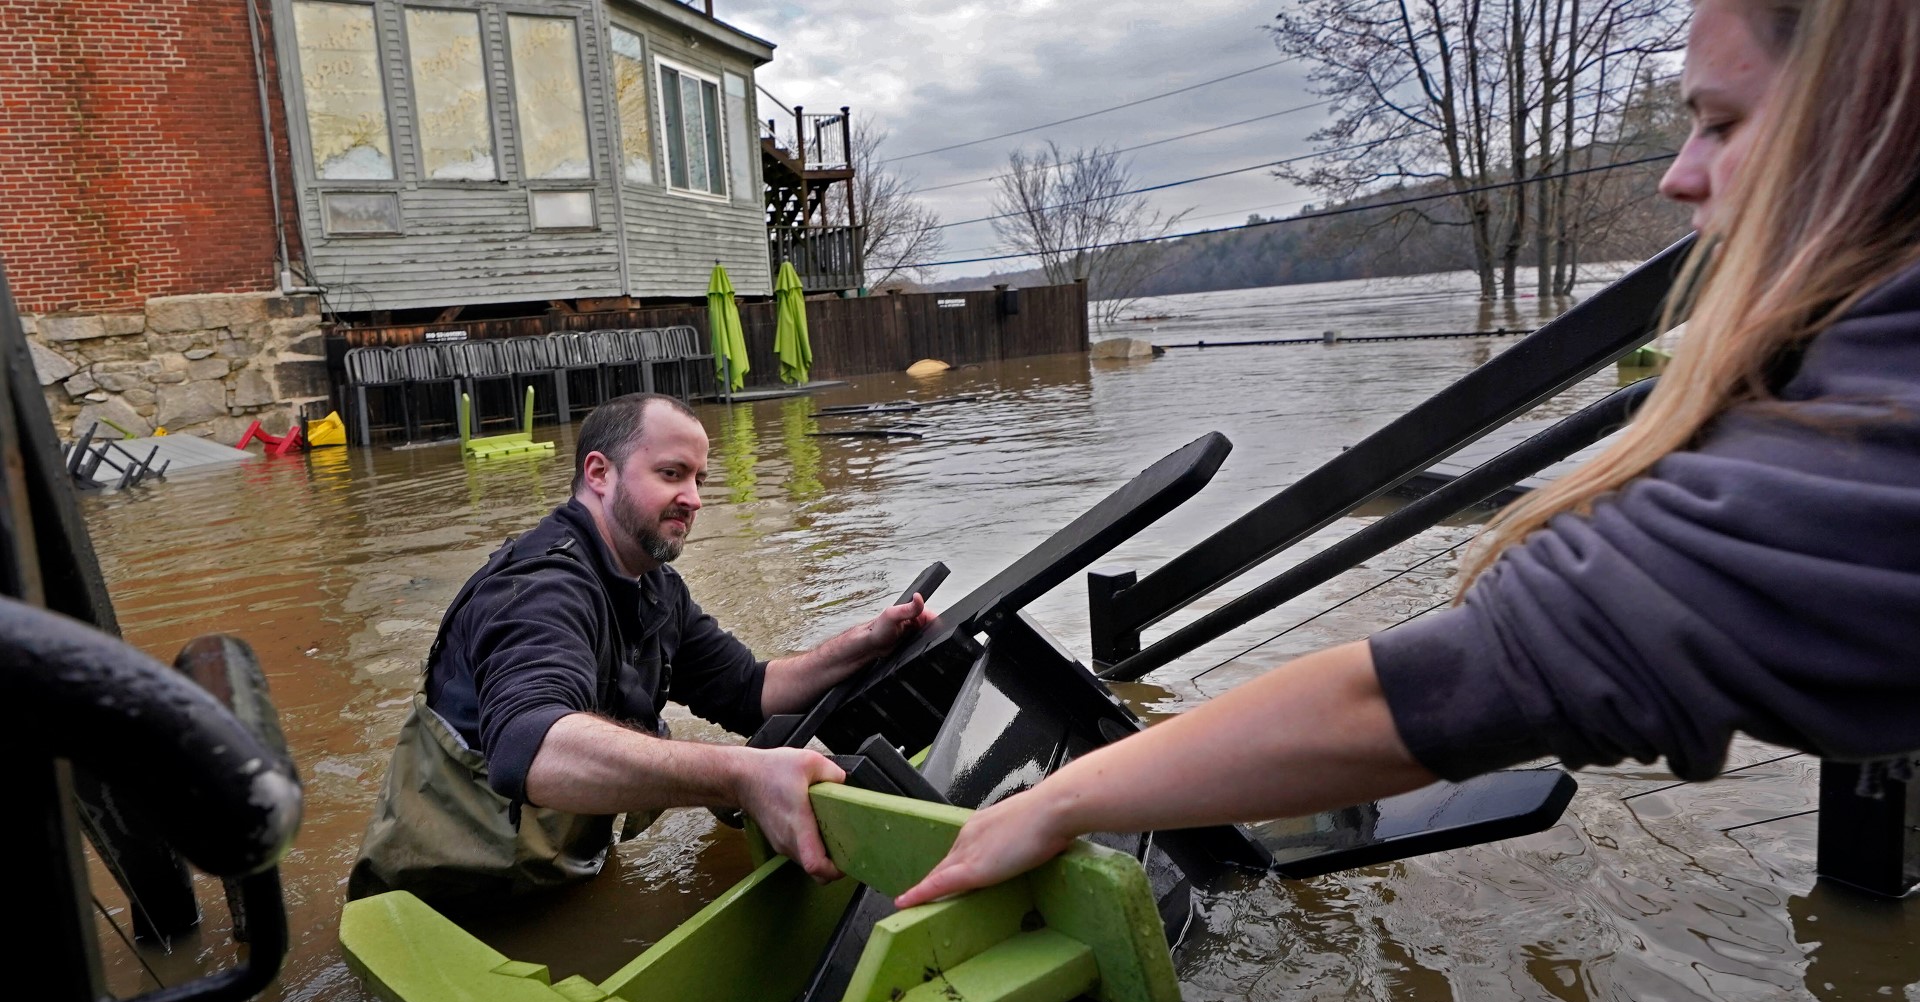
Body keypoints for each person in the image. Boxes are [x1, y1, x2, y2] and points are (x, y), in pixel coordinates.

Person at [898, 0, 1920, 909]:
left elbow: (1429, 695)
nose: (1677, 173)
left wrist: (1060, 801)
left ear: (1880, 119)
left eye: (1724, 122)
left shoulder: (1868, 462)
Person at [350, 393, 932, 903]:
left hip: (550, 868)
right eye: (672, 473)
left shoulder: (653, 586)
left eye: (700, 479)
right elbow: (528, 748)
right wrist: (739, 775)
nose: (695, 498)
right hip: (449, 901)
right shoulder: (537, 590)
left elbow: (750, 690)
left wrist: (867, 643)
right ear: (599, 473)